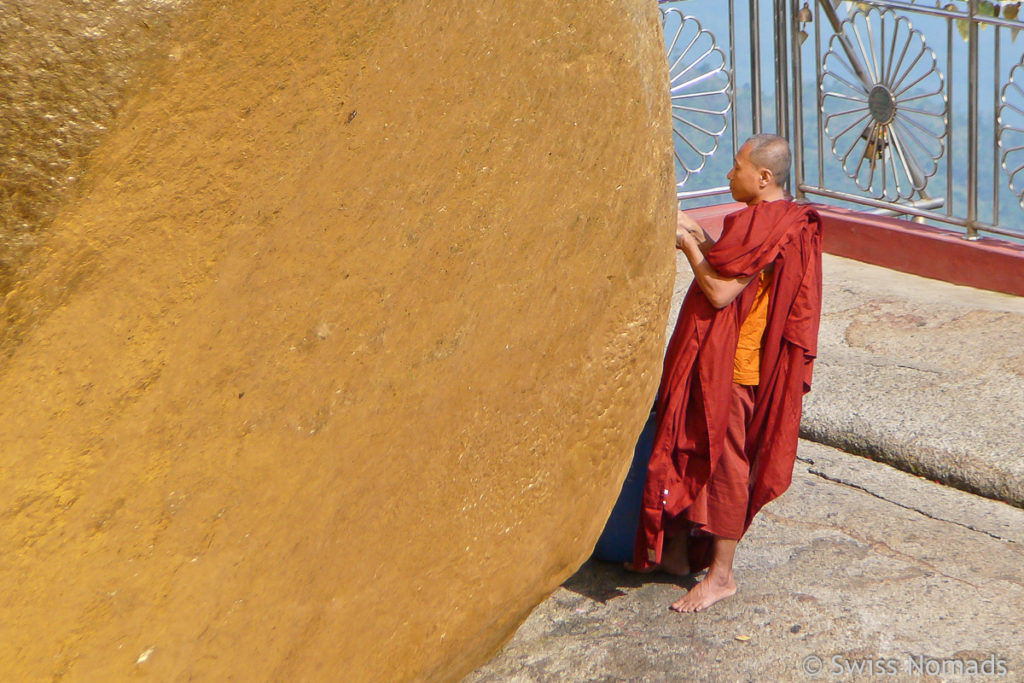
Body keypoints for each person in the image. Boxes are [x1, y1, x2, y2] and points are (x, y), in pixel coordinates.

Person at [628, 134, 823, 613]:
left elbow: (719, 293)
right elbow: (742, 272)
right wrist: (699, 235)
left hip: (737, 369)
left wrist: (688, 248)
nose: (729, 175)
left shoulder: (771, 225)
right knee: (690, 446)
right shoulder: (778, 223)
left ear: (763, 177)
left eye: (737, 167)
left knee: (727, 465)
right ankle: (675, 554)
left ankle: (721, 576)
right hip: (724, 362)